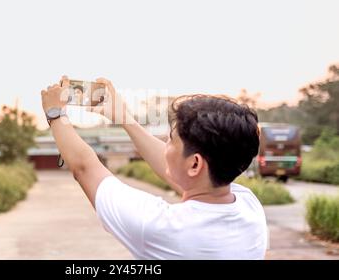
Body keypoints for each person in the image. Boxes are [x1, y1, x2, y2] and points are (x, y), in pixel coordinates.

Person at [41, 76, 267, 260]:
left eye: (171, 139)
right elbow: (185, 173)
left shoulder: (160, 228)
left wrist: (55, 113)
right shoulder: (249, 207)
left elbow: (85, 168)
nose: (165, 146)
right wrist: (125, 118)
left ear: (195, 163)